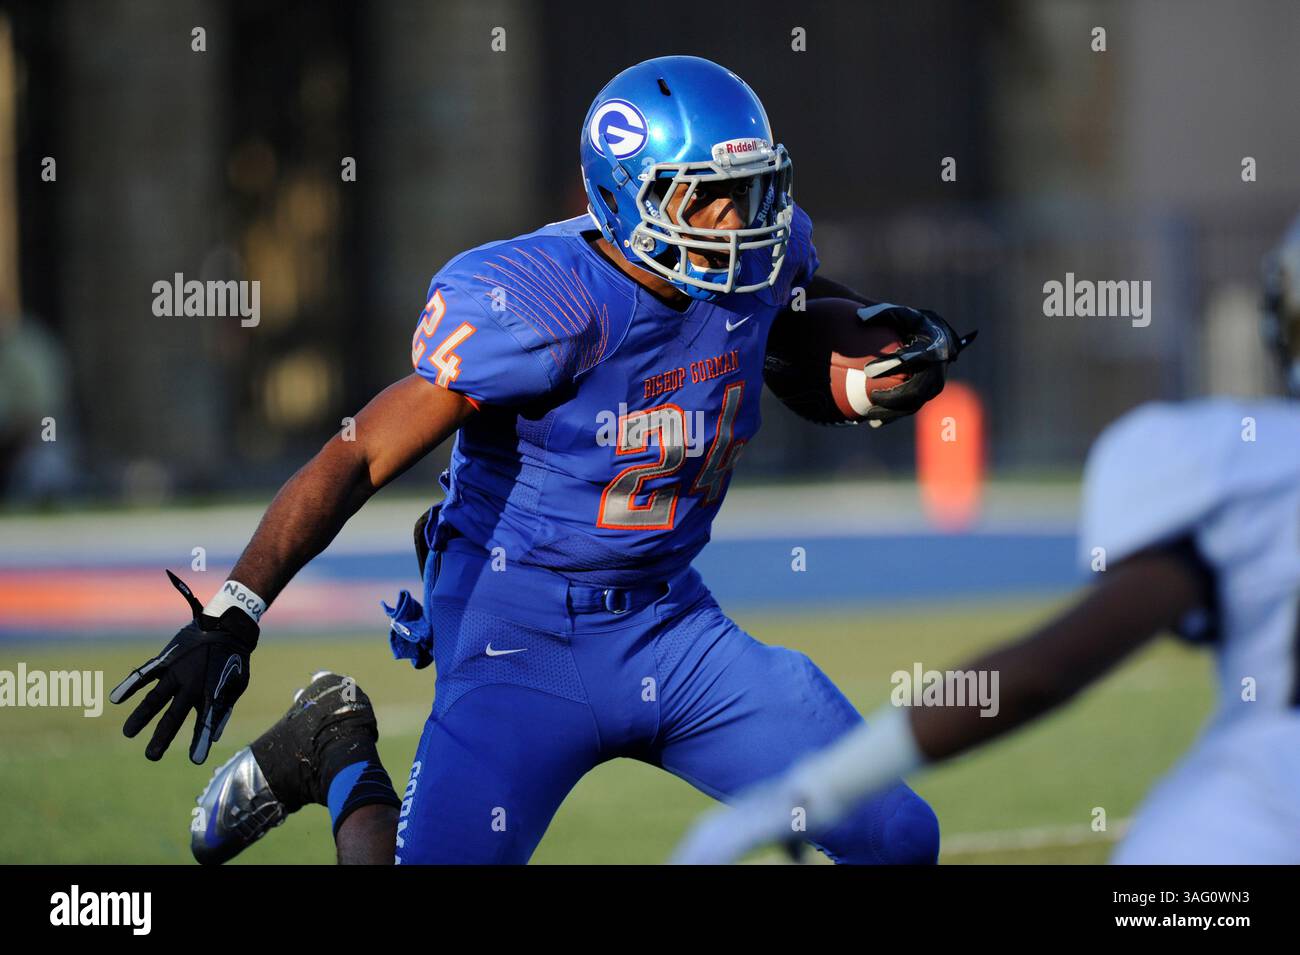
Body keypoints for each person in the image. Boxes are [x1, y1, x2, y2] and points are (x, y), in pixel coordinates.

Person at [116, 56, 966, 864]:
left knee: (898, 834)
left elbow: (799, 318)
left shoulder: (755, 263)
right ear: (629, 197)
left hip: (673, 625)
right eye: (709, 199)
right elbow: (360, 452)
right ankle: (334, 745)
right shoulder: (548, 301)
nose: (740, 221)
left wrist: (881, 346)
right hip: (519, 634)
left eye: (751, 192)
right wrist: (235, 609)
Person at [673, 214, 1300, 865]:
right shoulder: (571, 284)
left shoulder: (1249, 466)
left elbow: (1045, 668)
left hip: (1261, 818)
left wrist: (822, 785)